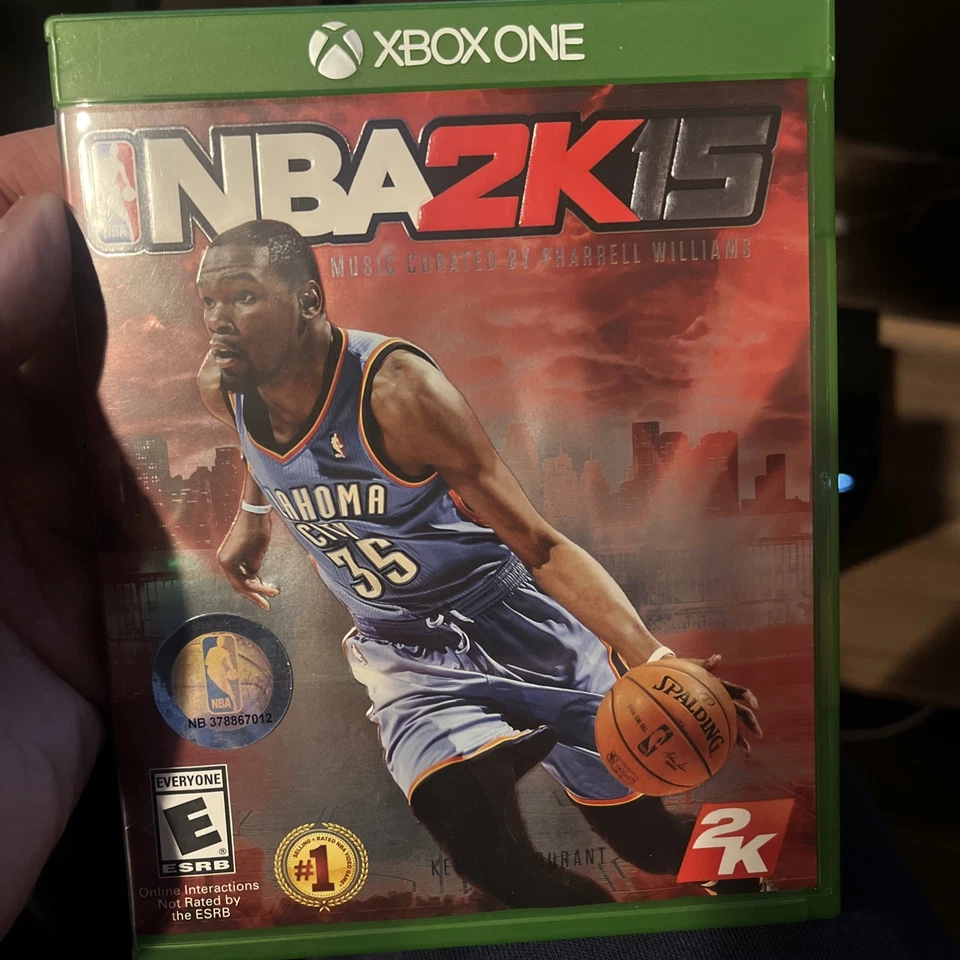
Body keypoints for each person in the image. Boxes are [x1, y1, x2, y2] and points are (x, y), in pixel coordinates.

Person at [195, 218, 762, 907]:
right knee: (489, 861)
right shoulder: (225, 383)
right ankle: (595, 938)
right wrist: (252, 517)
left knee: (649, 845)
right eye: (209, 301)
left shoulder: (396, 392)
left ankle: (761, 885)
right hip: (403, 652)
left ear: (309, 301)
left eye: (243, 297)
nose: (219, 321)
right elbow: (261, 449)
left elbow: (540, 543)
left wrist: (655, 658)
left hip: (512, 619)